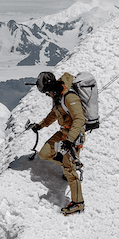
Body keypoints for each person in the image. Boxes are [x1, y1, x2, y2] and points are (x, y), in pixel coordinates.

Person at [29, 71, 85, 215]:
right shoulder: (57, 95)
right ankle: (68, 163)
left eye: (47, 92)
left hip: (73, 135)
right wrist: (41, 125)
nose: (48, 95)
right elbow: (55, 113)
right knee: (44, 154)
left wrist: (70, 140)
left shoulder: (69, 97)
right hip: (63, 133)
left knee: (70, 172)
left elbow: (79, 119)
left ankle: (78, 203)